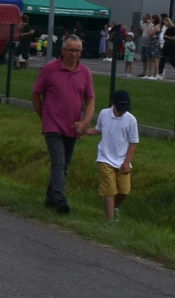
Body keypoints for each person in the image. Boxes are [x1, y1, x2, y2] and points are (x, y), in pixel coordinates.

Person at [30, 34, 96, 215]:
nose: (74, 54)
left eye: (77, 51)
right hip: (52, 125)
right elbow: (36, 93)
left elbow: (90, 99)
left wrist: (85, 122)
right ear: (63, 50)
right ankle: (60, 200)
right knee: (58, 162)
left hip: (72, 126)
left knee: (64, 164)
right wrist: (43, 116)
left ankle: (50, 198)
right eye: (70, 50)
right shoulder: (50, 69)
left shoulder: (85, 73)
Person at [83, 89, 138, 222]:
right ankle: (110, 222)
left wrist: (127, 162)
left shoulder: (131, 120)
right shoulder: (104, 113)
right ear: (113, 104)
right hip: (105, 158)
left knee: (124, 191)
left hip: (122, 160)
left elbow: (133, 142)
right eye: (120, 108)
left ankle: (114, 208)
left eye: (125, 109)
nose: (122, 111)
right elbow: (98, 130)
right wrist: (83, 131)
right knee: (110, 191)